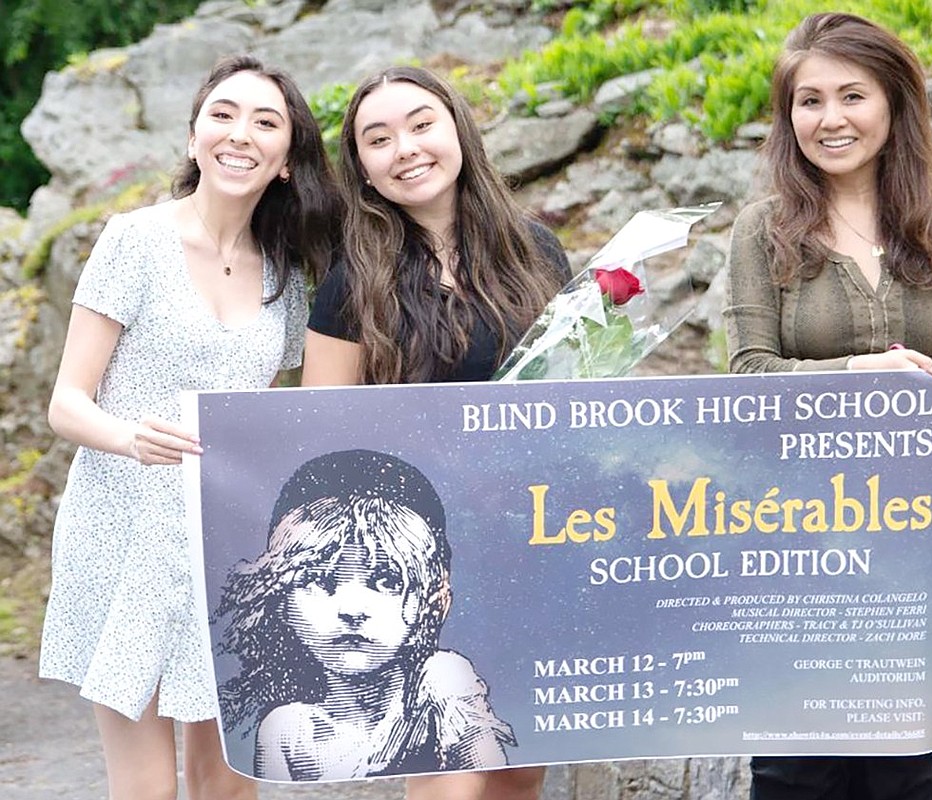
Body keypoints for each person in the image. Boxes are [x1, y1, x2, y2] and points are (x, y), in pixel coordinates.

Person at [723, 12, 932, 800]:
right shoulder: (763, 231)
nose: (829, 119)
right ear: (787, 116)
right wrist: (863, 368)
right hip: (789, 547)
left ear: (894, 104)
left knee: (902, 765)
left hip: (906, 550)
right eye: (809, 101)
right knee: (797, 768)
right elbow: (745, 377)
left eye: (852, 96)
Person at [39, 54, 340, 800]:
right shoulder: (133, 241)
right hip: (124, 531)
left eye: (265, 122)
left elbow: (270, 410)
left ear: (284, 161)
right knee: (146, 787)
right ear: (194, 135)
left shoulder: (286, 272)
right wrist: (129, 437)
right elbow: (66, 402)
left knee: (231, 782)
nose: (240, 134)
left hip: (227, 546)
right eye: (224, 114)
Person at [301, 65, 571, 800]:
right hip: (426, 565)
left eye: (421, 124)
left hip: (528, 543)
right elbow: (321, 440)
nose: (406, 149)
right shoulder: (352, 283)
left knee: (518, 769)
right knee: (450, 778)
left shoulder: (536, 252)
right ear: (361, 169)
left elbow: (572, 400)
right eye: (377, 139)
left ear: (457, 130)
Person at [213, 448, 515, 781]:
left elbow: (485, 769)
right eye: (319, 578)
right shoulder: (288, 731)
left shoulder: (443, 681)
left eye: (387, 580)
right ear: (281, 598)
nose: (352, 609)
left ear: (428, 596)